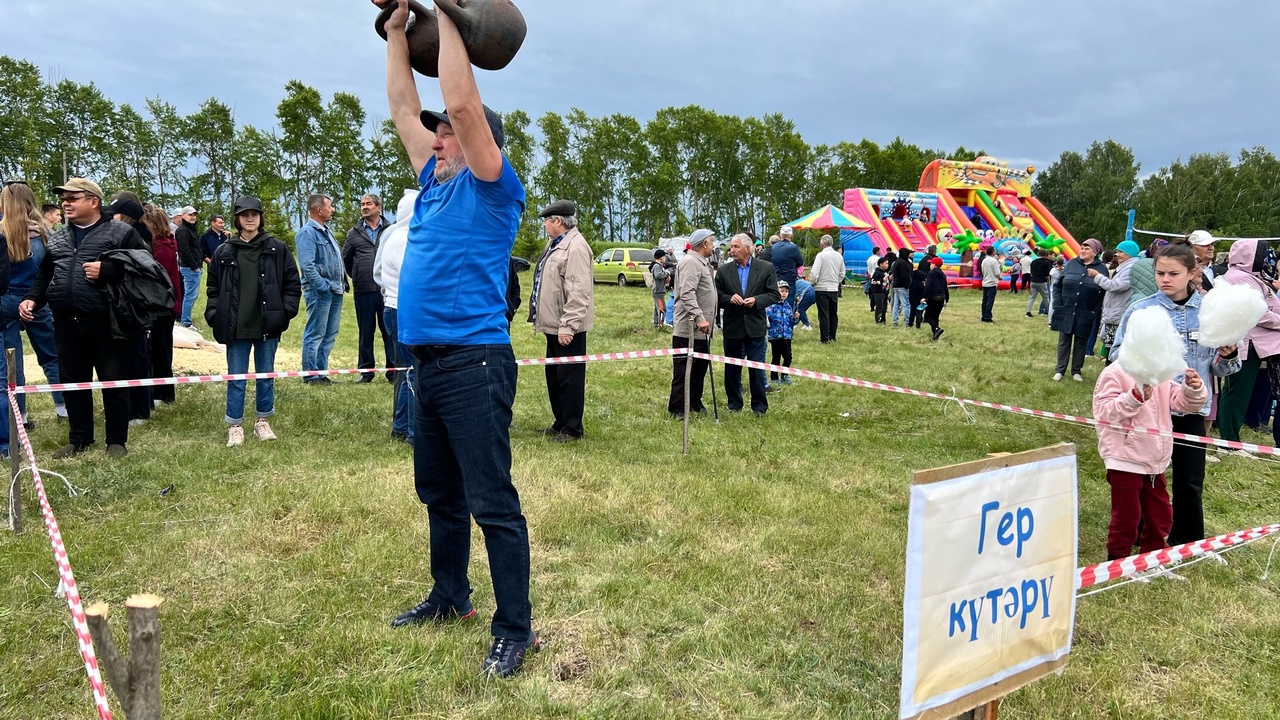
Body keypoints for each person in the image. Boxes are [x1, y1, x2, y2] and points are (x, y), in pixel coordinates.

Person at [380, 0, 538, 678]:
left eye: (445, 132)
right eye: (437, 133)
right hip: (426, 366)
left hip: (476, 363)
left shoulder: (491, 188)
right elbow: (400, 109)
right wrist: (394, 35)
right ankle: (451, 596)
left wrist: (446, 13)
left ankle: (516, 630)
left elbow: (463, 105)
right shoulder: (433, 185)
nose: (436, 136)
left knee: (491, 502)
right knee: (439, 495)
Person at [1110, 244, 1240, 545]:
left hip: (1191, 411)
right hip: (1151, 412)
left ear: (1192, 273)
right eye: (1160, 273)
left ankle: (1187, 543)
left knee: (1190, 482)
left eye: (1173, 273)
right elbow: (1117, 356)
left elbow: (1222, 370)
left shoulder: (1210, 314)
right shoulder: (1140, 310)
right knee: (1147, 480)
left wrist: (1228, 354)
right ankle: (1146, 538)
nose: (1165, 279)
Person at [21, 178, 147, 459]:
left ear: (93, 201)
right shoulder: (57, 236)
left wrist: (109, 270)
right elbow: (45, 274)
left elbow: (144, 269)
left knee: (113, 381)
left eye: (73, 197)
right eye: (64, 198)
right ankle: (79, 438)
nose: (66, 203)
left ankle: (116, 441)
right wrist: (32, 297)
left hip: (108, 321)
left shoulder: (121, 233)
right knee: (72, 382)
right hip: (66, 322)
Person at [205, 196, 301, 447]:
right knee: (236, 377)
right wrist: (214, 313)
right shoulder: (224, 251)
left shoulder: (277, 248)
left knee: (265, 374)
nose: (250, 218)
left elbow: (292, 284)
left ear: (260, 218)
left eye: (254, 214)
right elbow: (213, 287)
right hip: (234, 325)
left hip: (267, 324)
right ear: (237, 219)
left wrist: (285, 311)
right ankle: (235, 425)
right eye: (244, 214)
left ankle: (262, 420)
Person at [1093, 360, 1207, 559]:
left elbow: (1179, 403)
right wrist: (1133, 398)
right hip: (1125, 457)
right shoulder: (1115, 372)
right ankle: (1117, 561)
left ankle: (1152, 559)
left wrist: (1191, 389)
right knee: (1127, 517)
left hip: (1155, 458)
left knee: (1160, 514)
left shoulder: (1160, 371)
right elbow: (1103, 411)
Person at [0, 183, 58, 457]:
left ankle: (19, 417)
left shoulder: (2, 232)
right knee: (51, 356)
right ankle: (64, 407)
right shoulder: (44, 232)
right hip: (37, 298)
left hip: (7, 300)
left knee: (13, 364)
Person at [529, 200, 594, 442]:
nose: (544, 225)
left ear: (558, 221)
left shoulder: (575, 247)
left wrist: (568, 325)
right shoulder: (555, 244)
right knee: (555, 376)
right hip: (553, 325)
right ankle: (561, 421)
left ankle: (573, 428)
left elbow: (578, 291)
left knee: (570, 378)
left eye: (546, 220)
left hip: (567, 327)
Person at [1217, 238, 1280, 446]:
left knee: (1240, 393)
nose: (1266, 258)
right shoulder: (1238, 278)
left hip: (1253, 344)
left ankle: (1232, 437)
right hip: (1245, 344)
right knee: (1237, 393)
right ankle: (1230, 441)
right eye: (1262, 253)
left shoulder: (1250, 277)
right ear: (1250, 256)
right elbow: (1258, 313)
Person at [715, 233, 779, 416]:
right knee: (732, 368)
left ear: (748, 249)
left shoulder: (766, 268)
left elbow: (774, 294)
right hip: (733, 326)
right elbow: (716, 296)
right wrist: (728, 299)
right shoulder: (723, 271)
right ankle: (734, 404)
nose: (732, 250)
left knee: (756, 368)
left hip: (755, 326)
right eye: (731, 247)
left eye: (736, 247)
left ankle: (759, 407)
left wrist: (757, 301)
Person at [373, 189, 418, 444]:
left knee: (409, 369)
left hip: (396, 307)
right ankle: (414, 433)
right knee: (415, 372)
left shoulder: (397, 235)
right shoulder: (404, 238)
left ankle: (401, 426)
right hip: (403, 309)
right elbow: (414, 275)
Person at [344, 193, 395, 383]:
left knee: (389, 331)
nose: (365, 207)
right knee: (365, 332)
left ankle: (393, 371)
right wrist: (357, 276)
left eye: (369, 204)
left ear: (379, 207)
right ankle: (366, 372)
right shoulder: (354, 233)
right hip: (363, 291)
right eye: (362, 204)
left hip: (386, 290)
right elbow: (346, 260)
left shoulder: (391, 230)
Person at [667, 229, 717, 418]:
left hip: (702, 329)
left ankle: (694, 401)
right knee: (684, 369)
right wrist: (699, 317)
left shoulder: (701, 263)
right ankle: (677, 407)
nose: (713, 245)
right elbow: (687, 293)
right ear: (704, 244)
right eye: (711, 241)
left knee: (699, 368)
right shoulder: (690, 262)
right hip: (688, 328)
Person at [296, 193, 345, 384]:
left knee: (329, 334)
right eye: (330, 206)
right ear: (319, 209)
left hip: (335, 289)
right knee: (316, 332)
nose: (332, 209)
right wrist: (322, 286)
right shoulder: (307, 233)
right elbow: (307, 266)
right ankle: (310, 374)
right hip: (320, 291)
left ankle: (321, 373)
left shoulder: (326, 231)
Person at [140, 206, 182, 406]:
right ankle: (163, 391)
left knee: (161, 349)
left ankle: (163, 393)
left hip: (164, 304)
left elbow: (160, 274)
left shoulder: (161, 246)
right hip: (169, 302)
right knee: (162, 347)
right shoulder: (168, 242)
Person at [1050, 239, 1107, 381]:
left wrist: (1094, 310)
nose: (1082, 250)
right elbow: (1058, 286)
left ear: (1095, 252)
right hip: (1066, 307)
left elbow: (1104, 292)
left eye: (1086, 249)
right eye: (1081, 248)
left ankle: (1076, 371)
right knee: (1064, 339)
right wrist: (1058, 303)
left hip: (1085, 310)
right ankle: (1060, 370)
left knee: (1081, 341)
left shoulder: (1102, 269)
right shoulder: (1072, 264)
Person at [1091, 239, 1139, 360]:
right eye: (1117, 251)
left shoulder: (1130, 269)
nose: (1117, 254)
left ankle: (1114, 371)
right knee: (1105, 338)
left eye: (1121, 251)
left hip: (1119, 312)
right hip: (1114, 312)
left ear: (1130, 253)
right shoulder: (1124, 267)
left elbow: (1115, 286)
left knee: (1113, 346)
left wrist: (1097, 276)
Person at [810, 235, 843, 343]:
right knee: (833, 313)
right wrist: (835, 282)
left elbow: (815, 273)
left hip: (821, 288)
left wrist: (813, 282)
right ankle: (832, 336)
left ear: (822, 243)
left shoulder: (821, 255)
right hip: (833, 288)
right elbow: (842, 273)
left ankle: (824, 338)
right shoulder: (839, 256)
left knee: (823, 314)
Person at [174, 205, 201, 329]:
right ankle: (186, 321)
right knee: (189, 295)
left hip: (195, 266)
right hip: (190, 267)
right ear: (183, 215)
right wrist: (194, 266)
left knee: (191, 295)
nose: (193, 217)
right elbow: (184, 251)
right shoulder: (183, 231)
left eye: (194, 215)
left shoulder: (191, 229)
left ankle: (186, 319)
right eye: (190, 215)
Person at [766, 281, 795, 387]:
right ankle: (774, 378)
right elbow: (766, 319)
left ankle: (785, 375)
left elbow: (791, 322)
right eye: (781, 291)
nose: (784, 293)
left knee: (788, 357)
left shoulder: (788, 307)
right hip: (775, 337)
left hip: (787, 336)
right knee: (776, 358)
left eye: (786, 291)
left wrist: (795, 318)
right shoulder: (771, 306)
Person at [770, 226, 804, 310]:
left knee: (777, 300)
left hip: (777, 277)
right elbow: (800, 262)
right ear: (791, 236)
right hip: (789, 278)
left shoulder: (774, 247)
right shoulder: (793, 247)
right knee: (789, 302)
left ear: (780, 235)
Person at [923, 256, 949, 341]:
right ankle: (935, 335)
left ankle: (937, 329)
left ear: (934, 265)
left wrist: (925, 296)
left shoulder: (931, 273)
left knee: (928, 317)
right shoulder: (943, 274)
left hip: (933, 296)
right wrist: (947, 298)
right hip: (941, 297)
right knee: (935, 316)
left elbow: (928, 285)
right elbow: (945, 287)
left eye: (931, 263)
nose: (930, 265)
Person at [890, 247, 913, 327]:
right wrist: (907, 285)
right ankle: (908, 322)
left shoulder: (896, 262)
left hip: (896, 285)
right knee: (906, 304)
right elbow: (904, 275)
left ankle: (895, 321)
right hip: (902, 286)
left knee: (896, 304)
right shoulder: (903, 263)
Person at [979, 246, 1001, 323]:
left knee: (984, 300)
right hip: (992, 283)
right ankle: (988, 317)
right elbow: (997, 272)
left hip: (985, 282)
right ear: (993, 252)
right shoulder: (994, 261)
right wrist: (1000, 277)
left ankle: (983, 315)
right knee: (990, 301)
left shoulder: (984, 260)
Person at [1026, 249, 1051, 317]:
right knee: (1045, 297)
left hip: (1033, 281)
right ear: (1046, 254)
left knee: (1032, 297)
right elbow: (1047, 274)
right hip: (1042, 281)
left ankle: (1028, 312)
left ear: (1038, 254)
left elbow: (1031, 272)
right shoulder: (1047, 262)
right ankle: (1049, 312)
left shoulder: (1033, 262)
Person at [649, 249, 670, 328]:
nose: (665, 258)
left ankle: (656, 323)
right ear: (661, 258)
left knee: (656, 308)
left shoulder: (657, 266)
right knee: (662, 308)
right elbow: (658, 275)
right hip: (658, 291)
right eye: (664, 256)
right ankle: (660, 324)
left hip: (658, 291)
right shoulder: (657, 266)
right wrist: (666, 273)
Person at [870, 254, 890, 324]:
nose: (887, 265)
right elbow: (873, 282)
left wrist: (889, 279)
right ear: (881, 264)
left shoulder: (885, 272)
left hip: (885, 292)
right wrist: (882, 280)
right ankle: (878, 320)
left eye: (888, 263)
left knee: (884, 307)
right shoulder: (877, 273)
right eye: (886, 263)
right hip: (878, 292)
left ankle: (883, 320)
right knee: (879, 307)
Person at [864, 246, 880, 311]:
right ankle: (877, 305)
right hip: (876, 276)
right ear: (877, 251)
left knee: (872, 292)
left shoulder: (869, 259)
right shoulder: (878, 259)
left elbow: (868, 268)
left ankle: (872, 306)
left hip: (870, 276)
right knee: (877, 292)